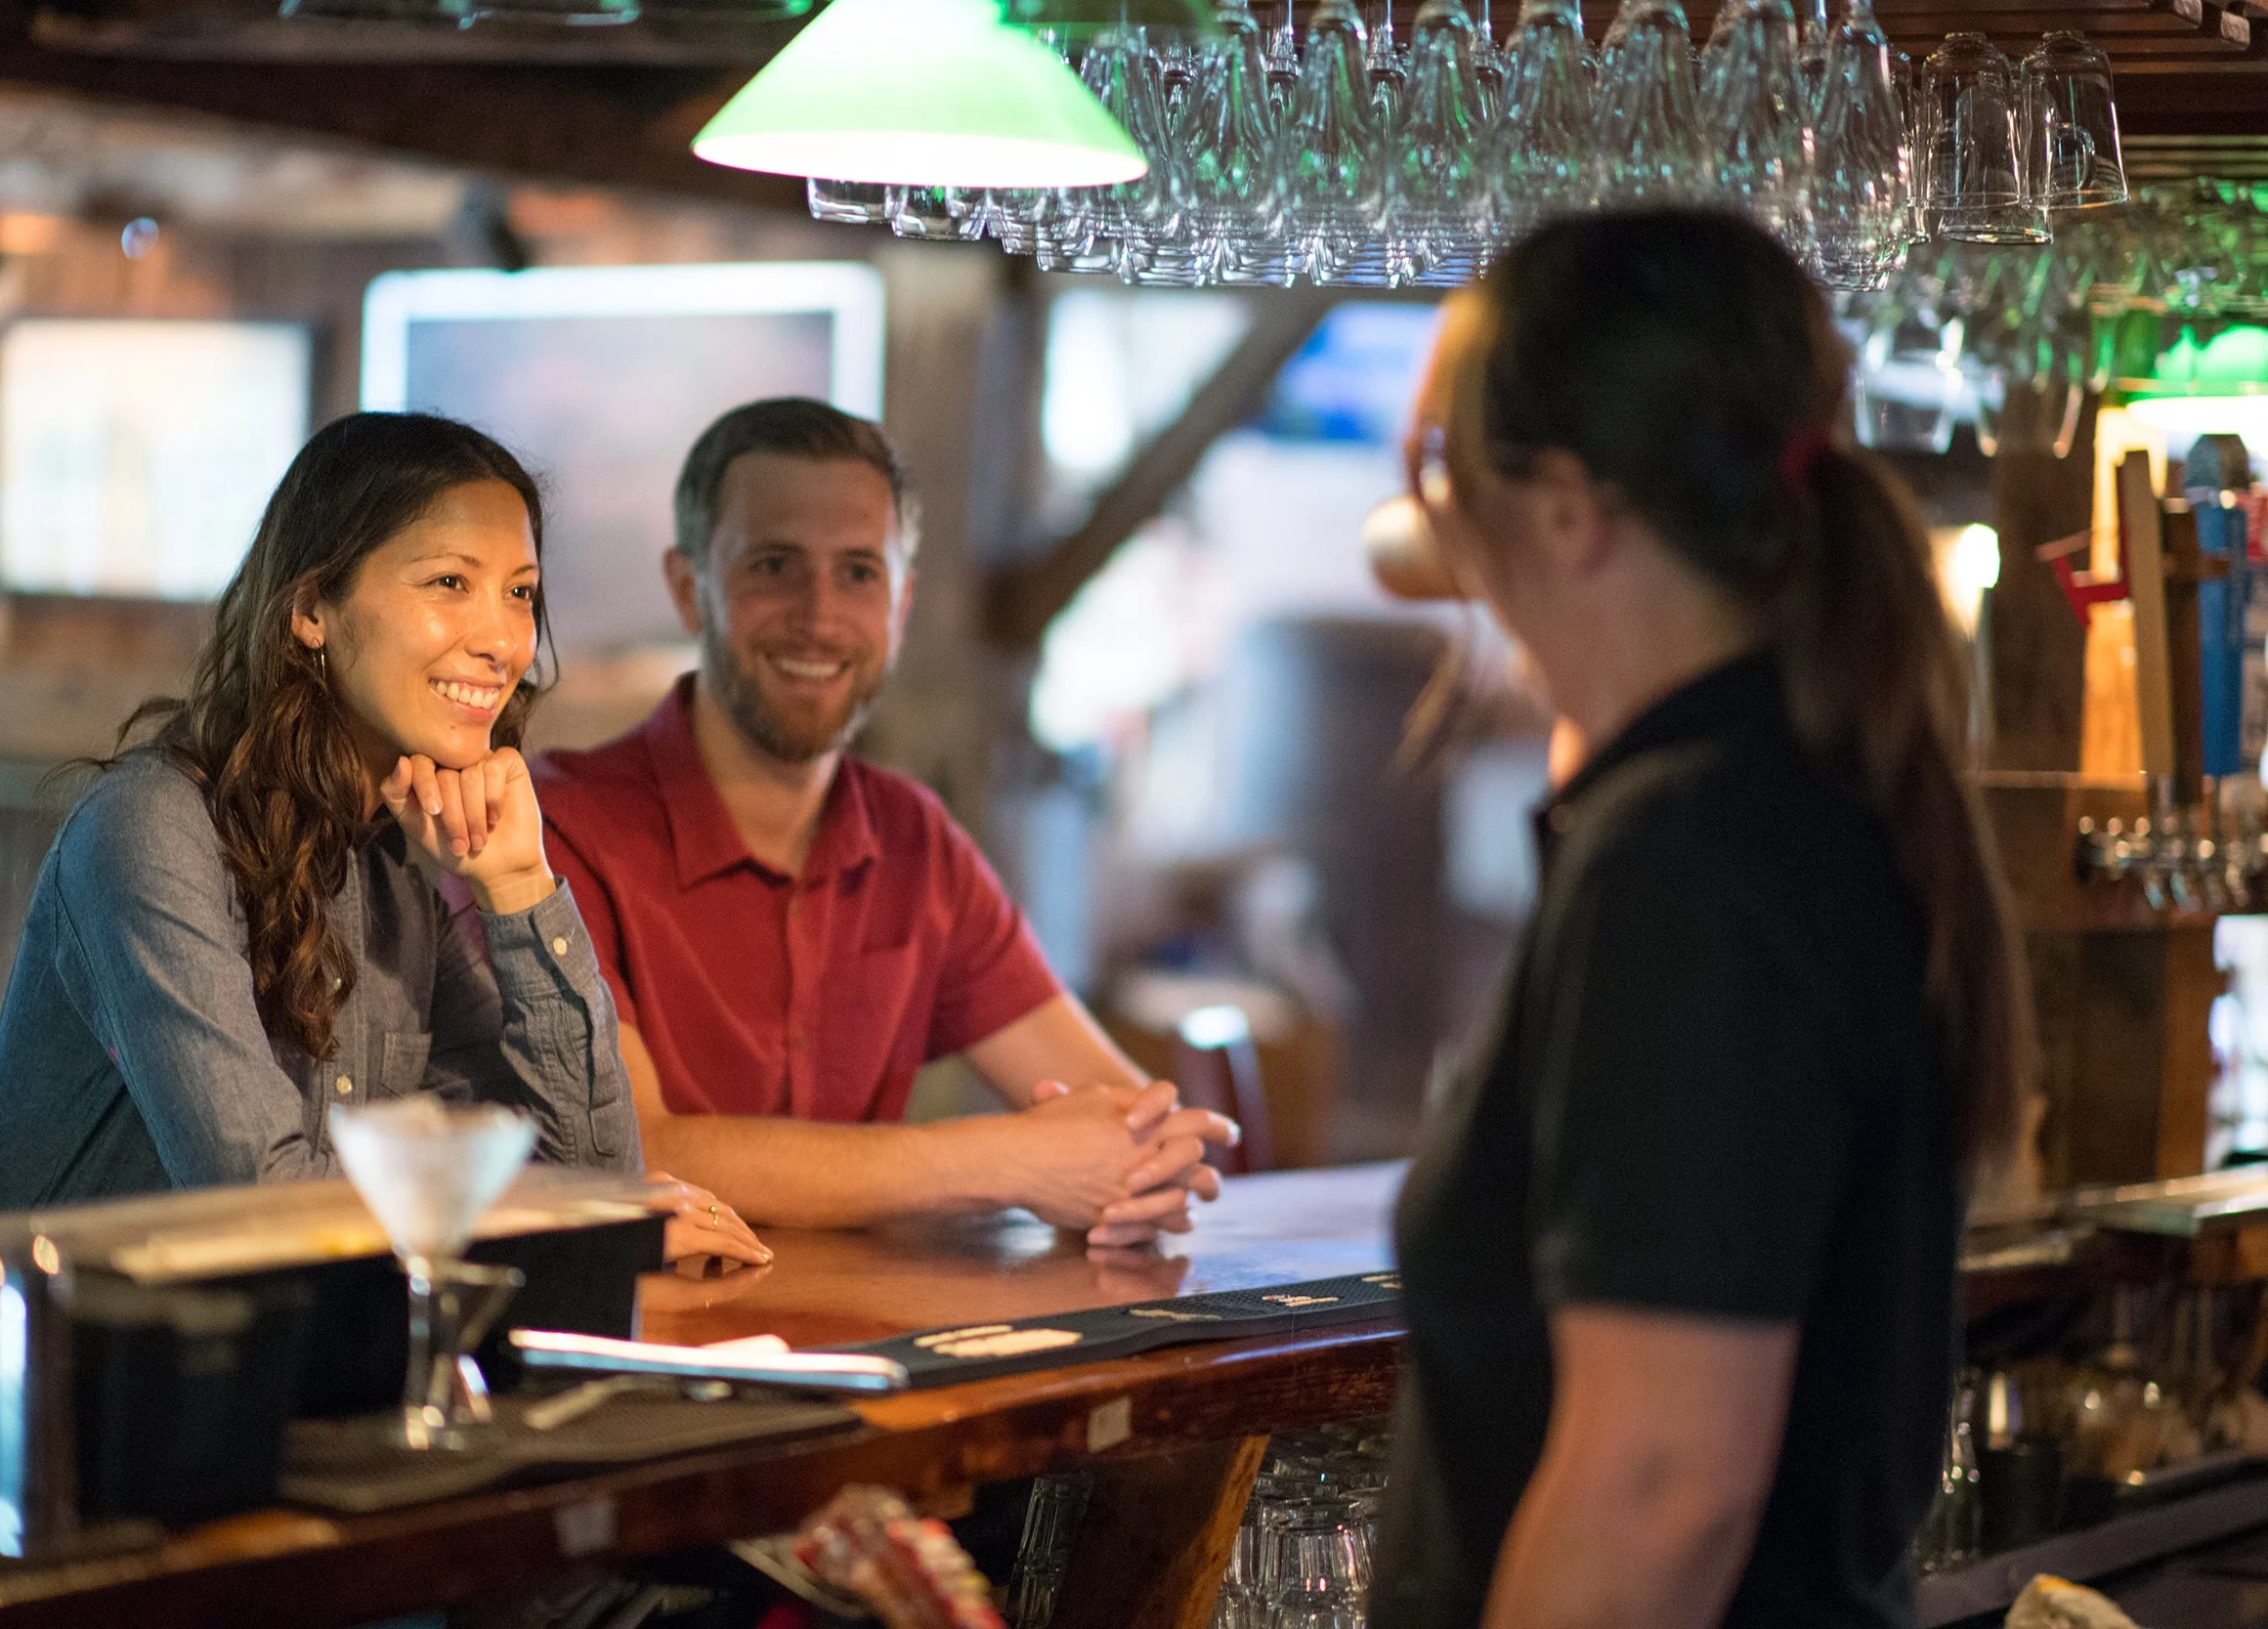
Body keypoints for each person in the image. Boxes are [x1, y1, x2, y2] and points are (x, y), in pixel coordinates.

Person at [1375, 212, 2031, 1629]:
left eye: (1442, 464)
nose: (1428, 516)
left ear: (1567, 508)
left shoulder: (1692, 853)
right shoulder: (1790, 793)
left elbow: (1661, 1486)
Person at [0, 412, 766, 1269]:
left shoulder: (396, 871)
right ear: (311, 609)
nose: (500, 640)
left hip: (297, 1370)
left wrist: (521, 885)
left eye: (520, 592)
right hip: (64, 1383)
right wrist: (565, 1220)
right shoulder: (149, 830)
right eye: (451, 582)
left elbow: (598, 1171)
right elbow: (266, 1201)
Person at [535, 399, 1234, 1248]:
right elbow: (640, 1151)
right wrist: (1009, 1162)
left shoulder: (914, 840)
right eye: (775, 565)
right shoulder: (560, 831)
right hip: (640, 1362)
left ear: (900, 605)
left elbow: (1131, 1118)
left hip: (878, 1359)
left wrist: (1150, 1159)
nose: (821, 616)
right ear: (690, 589)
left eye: (860, 572)